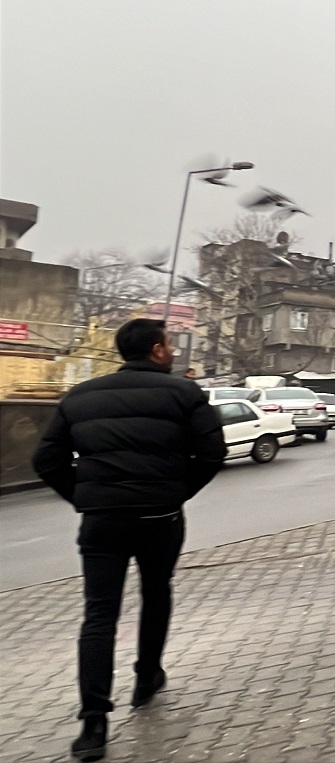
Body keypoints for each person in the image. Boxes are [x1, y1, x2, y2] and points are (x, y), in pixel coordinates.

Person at [32, 318, 227, 763]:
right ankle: (146, 677)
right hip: (160, 517)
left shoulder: (80, 396)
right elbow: (211, 452)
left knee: (99, 614)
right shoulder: (185, 394)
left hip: (102, 522)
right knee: (156, 593)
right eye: (171, 344)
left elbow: (46, 459)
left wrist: (85, 497)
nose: (174, 351)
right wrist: (174, 493)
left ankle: (93, 722)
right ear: (157, 350)